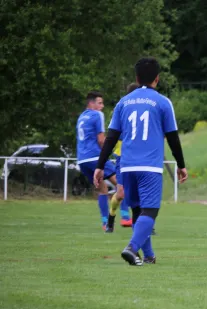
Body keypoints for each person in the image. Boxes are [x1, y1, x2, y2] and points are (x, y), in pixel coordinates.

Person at [94, 57, 188, 265]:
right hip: (149, 167)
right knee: (150, 211)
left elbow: (110, 137)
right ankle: (132, 248)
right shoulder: (163, 102)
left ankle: (149, 256)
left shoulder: (123, 102)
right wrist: (181, 165)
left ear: (136, 78)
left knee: (138, 210)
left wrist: (100, 166)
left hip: (126, 166)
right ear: (157, 79)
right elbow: (172, 137)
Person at [75, 90, 118, 231]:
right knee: (122, 184)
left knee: (102, 190)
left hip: (82, 160)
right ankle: (129, 216)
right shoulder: (97, 115)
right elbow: (101, 140)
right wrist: (110, 151)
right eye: (100, 103)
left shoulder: (81, 117)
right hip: (95, 157)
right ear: (91, 103)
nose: (102, 106)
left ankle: (105, 223)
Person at [105, 83, 138, 233]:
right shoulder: (121, 109)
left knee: (142, 192)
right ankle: (111, 218)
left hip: (139, 157)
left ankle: (144, 226)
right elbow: (112, 135)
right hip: (122, 158)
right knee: (121, 194)